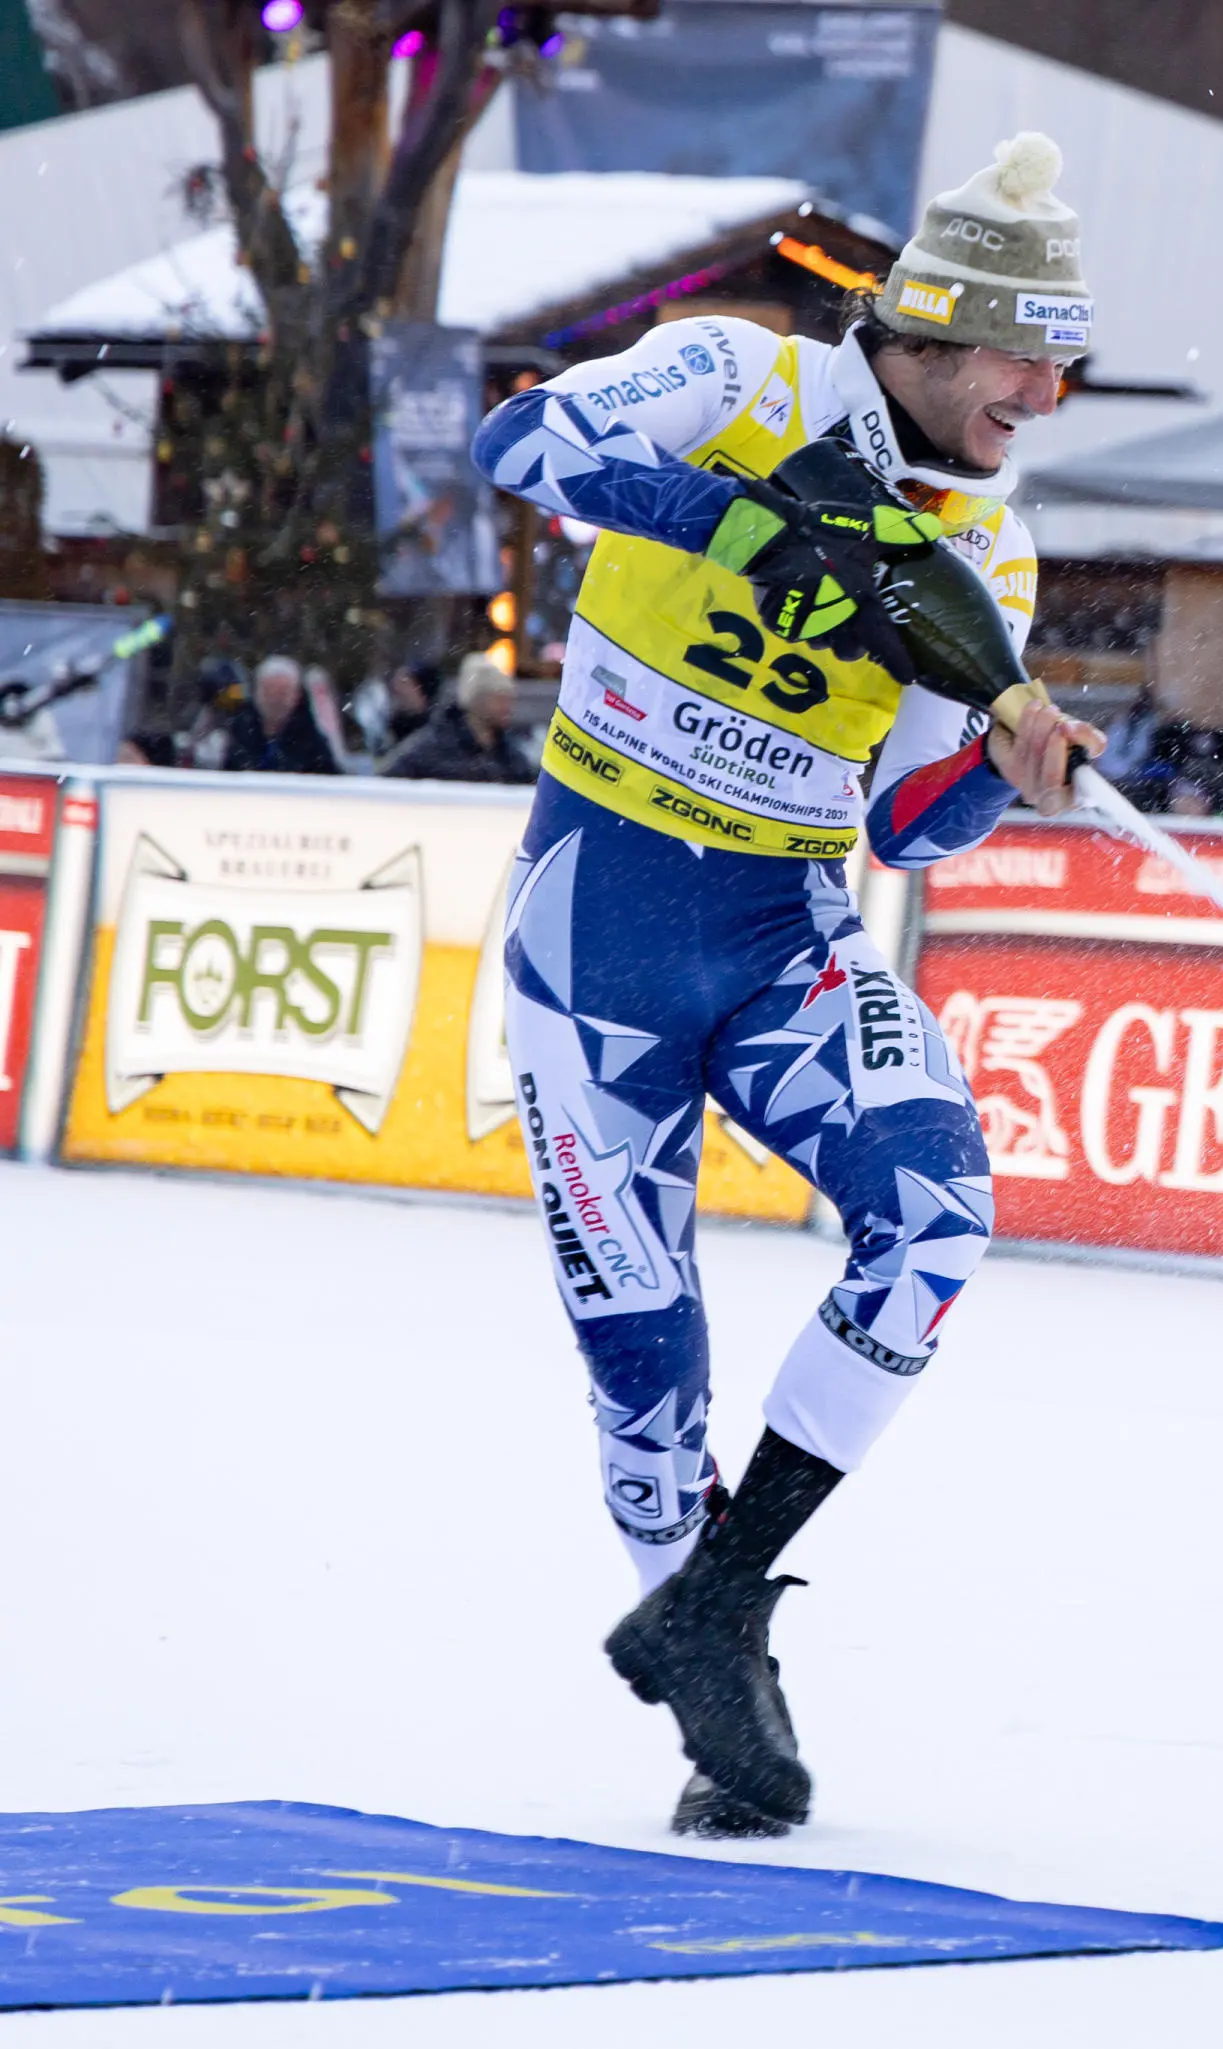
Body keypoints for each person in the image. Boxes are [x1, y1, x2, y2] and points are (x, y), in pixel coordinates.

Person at [471, 130, 1106, 1841]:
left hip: (786, 931)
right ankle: (709, 1673)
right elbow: (523, 440)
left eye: (1066, 366)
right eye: (1030, 358)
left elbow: (907, 815)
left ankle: (718, 1600)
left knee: (940, 1215)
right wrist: (755, 521)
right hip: (594, 919)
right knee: (639, 1357)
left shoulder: (992, 547)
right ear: (945, 331)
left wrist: (1003, 771)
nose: (1046, 395)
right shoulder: (737, 373)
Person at [381, 651, 534, 783]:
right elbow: (387, 783)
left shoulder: (511, 754)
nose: (507, 708)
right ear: (478, 700)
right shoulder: (431, 747)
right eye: (500, 700)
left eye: (509, 700)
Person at [212, 656, 341, 775]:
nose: (275, 700)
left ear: (296, 696)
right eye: (269, 691)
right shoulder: (240, 730)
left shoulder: (312, 737)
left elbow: (329, 780)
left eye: (282, 693)